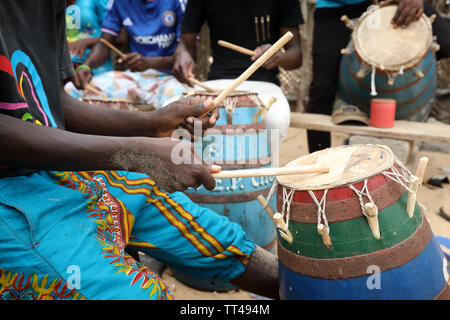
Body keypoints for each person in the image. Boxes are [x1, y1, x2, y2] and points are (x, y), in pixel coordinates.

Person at [0, 0, 279, 300]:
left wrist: (151, 122)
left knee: (216, 239)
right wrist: (134, 154)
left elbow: (54, 104)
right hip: (10, 193)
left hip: (56, 168)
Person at [305, 0, 450, 153]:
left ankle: (404, 103)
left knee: (445, 43)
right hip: (337, 7)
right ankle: (318, 160)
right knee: (321, 90)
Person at [172, 0, 304, 142]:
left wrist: (278, 56)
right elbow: (185, 44)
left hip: (264, 84)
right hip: (217, 83)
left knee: (276, 119)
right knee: (173, 111)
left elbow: (296, 55)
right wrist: (182, 54)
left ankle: (267, 165)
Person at [71, 0, 188, 108]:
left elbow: (188, 55)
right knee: (72, 90)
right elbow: (104, 44)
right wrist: (86, 66)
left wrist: (150, 62)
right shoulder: (118, 2)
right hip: (135, 78)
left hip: (170, 78)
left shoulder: (179, 2)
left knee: (181, 103)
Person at [66, 0, 114, 75]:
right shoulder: (51, 6)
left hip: (96, 69)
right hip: (65, 68)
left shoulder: (97, 2)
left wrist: (87, 42)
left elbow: (119, 36)